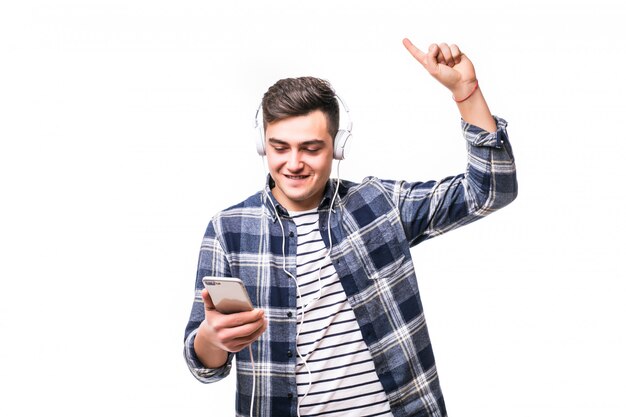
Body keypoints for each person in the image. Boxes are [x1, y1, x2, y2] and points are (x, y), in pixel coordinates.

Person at [184, 38, 517, 417]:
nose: (293, 163)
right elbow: (203, 366)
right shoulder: (228, 230)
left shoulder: (377, 205)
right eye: (280, 147)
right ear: (262, 145)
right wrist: (212, 339)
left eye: (311, 148)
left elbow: (491, 190)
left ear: (337, 147)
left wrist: (466, 93)